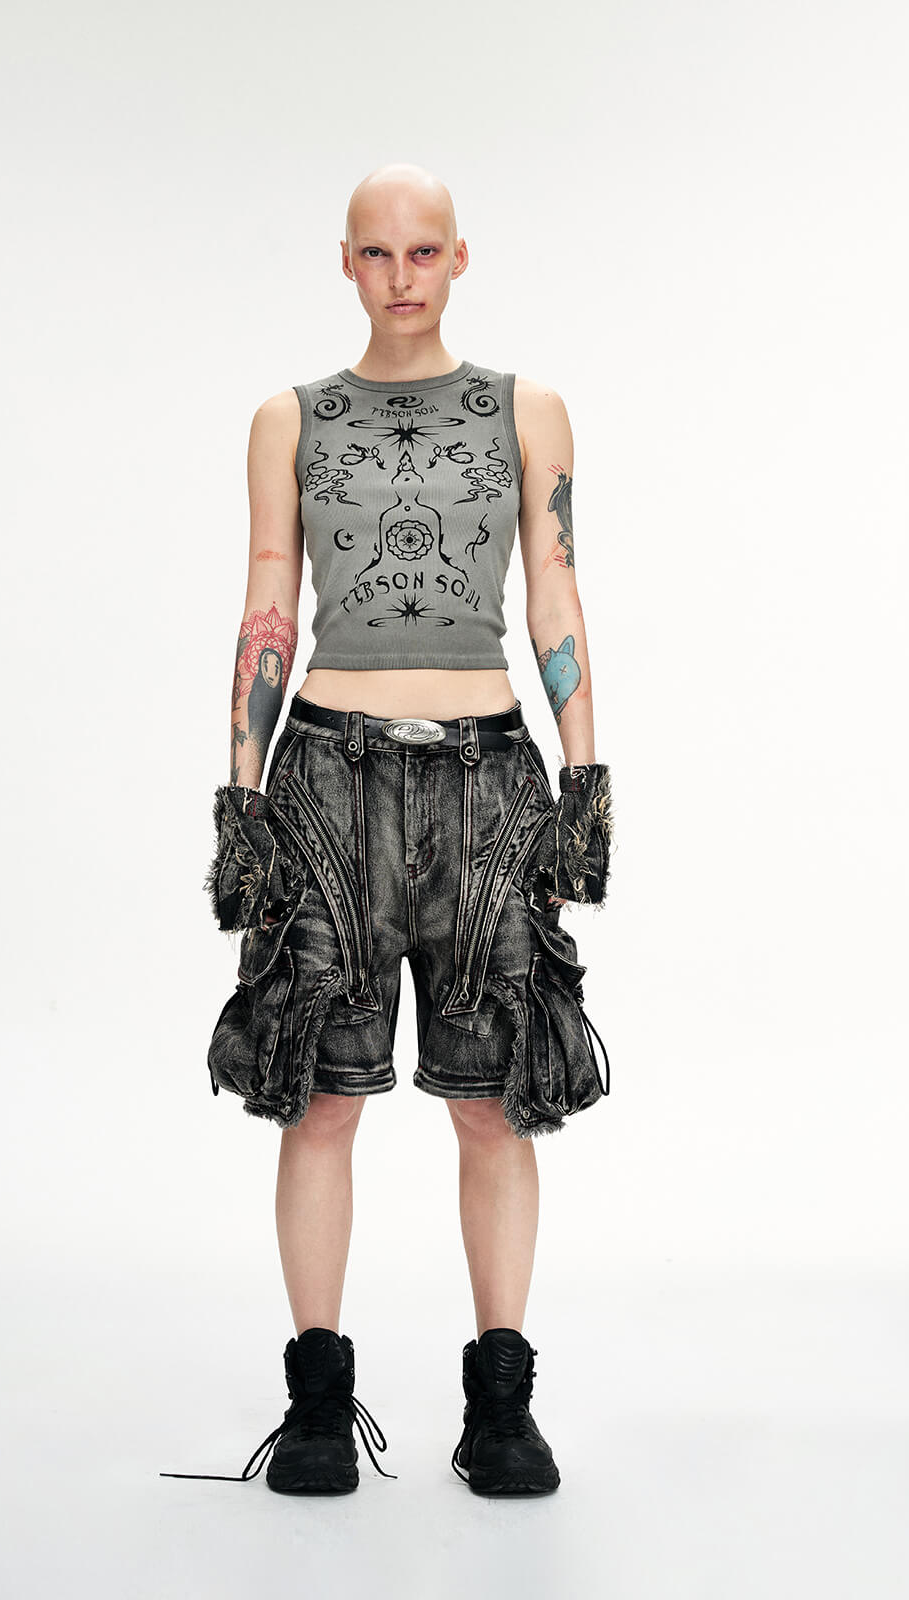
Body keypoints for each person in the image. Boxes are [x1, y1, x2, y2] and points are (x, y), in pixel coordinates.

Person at [161, 163, 613, 1500]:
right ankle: (316, 1401)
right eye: (378, 252)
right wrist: (241, 789)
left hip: (489, 779)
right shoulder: (289, 420)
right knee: (318, 1102)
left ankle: (501, 1407)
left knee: (493, 1105)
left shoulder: (527, 410)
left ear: (461, 258)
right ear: (346, 262)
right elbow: (268, 598)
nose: (401, 275)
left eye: (424, 251)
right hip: (325, 776)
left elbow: (555, 590)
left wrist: (586, 775)